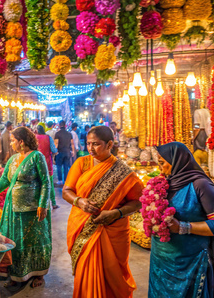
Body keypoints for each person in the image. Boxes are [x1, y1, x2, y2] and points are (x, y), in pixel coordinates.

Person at [62, 126, 143, 298]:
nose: (90, 148)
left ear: (109, 144)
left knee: (112, 274)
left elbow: (137, 202)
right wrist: (79, 201)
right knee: (86, 270)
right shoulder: (81, 163)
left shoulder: (123, 172)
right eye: (88, 144)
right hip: (83, 226)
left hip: (113, 230)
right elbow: (67, 190)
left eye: (96, 144)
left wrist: (116, 213)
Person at [149, 142, 214, 298]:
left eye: (162, 163)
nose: (159, 168)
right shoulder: (164, 183)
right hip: (161, 262)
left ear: (177, 161)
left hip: (190, 263)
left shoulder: (201, 185)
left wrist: (183, 227)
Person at [0, 127, 52, 289]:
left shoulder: (36, 157)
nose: (11, 144)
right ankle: (17, 273)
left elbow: (46, 182)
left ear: (21, 142)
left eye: (12, 141)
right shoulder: (12, 160)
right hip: (12, 209)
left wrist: (42, 204)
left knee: (32, 241)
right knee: (14, 240)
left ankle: (38, 273)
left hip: (31, 210)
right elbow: (4, 181)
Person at [36, 125, 59, 209]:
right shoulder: (48, 138)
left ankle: (39, 204)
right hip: (47, 164)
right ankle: (53, 203)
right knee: (50, 184)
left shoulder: (34, 138)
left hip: (36, 164)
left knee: (38, 184)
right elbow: (54, 150)